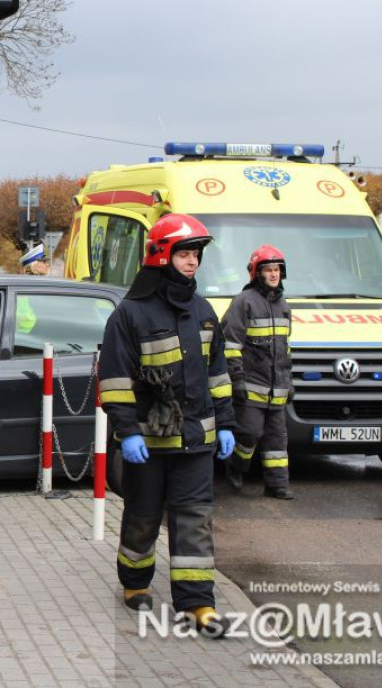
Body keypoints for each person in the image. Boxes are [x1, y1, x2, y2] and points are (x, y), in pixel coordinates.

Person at [99, 213, 235, 633]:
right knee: (142, 515)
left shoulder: (204, 311)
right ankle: (135, 583)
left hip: (196, 440)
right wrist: (128, 430)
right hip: (149, 442)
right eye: (185, 254)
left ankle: (197, 603)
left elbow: (218, 374)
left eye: (196, 254)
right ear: (162, 256)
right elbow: (115, 379)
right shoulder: (130, 314)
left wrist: (226, 423)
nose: (192, 262)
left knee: (195, 519)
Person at [221, 245, 294, 499]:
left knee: (277, 441)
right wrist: (237, 380)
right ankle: (237, 466)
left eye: (277, 270)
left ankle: (277, 486)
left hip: (277, 388)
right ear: (256, 273)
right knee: (249, 433)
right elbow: (230, 345)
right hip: (251, 386)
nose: (274, 275)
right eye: (269, 270)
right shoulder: (244, 302)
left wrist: (290, 382)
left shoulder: (283, 305)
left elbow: (285, 349)